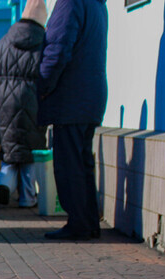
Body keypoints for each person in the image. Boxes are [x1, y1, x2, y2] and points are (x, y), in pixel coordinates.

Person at [39, 0, 108, 240]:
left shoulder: (71, 2)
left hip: (71, 96)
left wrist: (43, 85)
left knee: (69, 165)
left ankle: (79, 223)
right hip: (90, 95)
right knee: (82, 163)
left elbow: (57, 48)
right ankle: (87, 222)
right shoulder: (97, 5)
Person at [0, 0, 47, 208]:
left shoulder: (6, 39)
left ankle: (4, 182)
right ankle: (27, 198)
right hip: (32, 100)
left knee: (9, 152)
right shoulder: (44, 41)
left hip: (4, 100)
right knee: (28, 154)